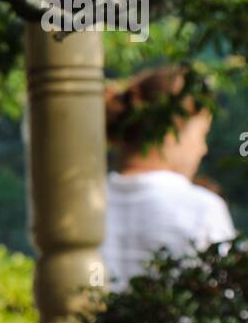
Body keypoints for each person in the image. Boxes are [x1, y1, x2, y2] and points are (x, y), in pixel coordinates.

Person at [100, 66, 236, 289]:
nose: (203, 149)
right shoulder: (202, 209)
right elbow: (227, 305)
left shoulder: (83, 202)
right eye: (201, 134)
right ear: (171, 133)